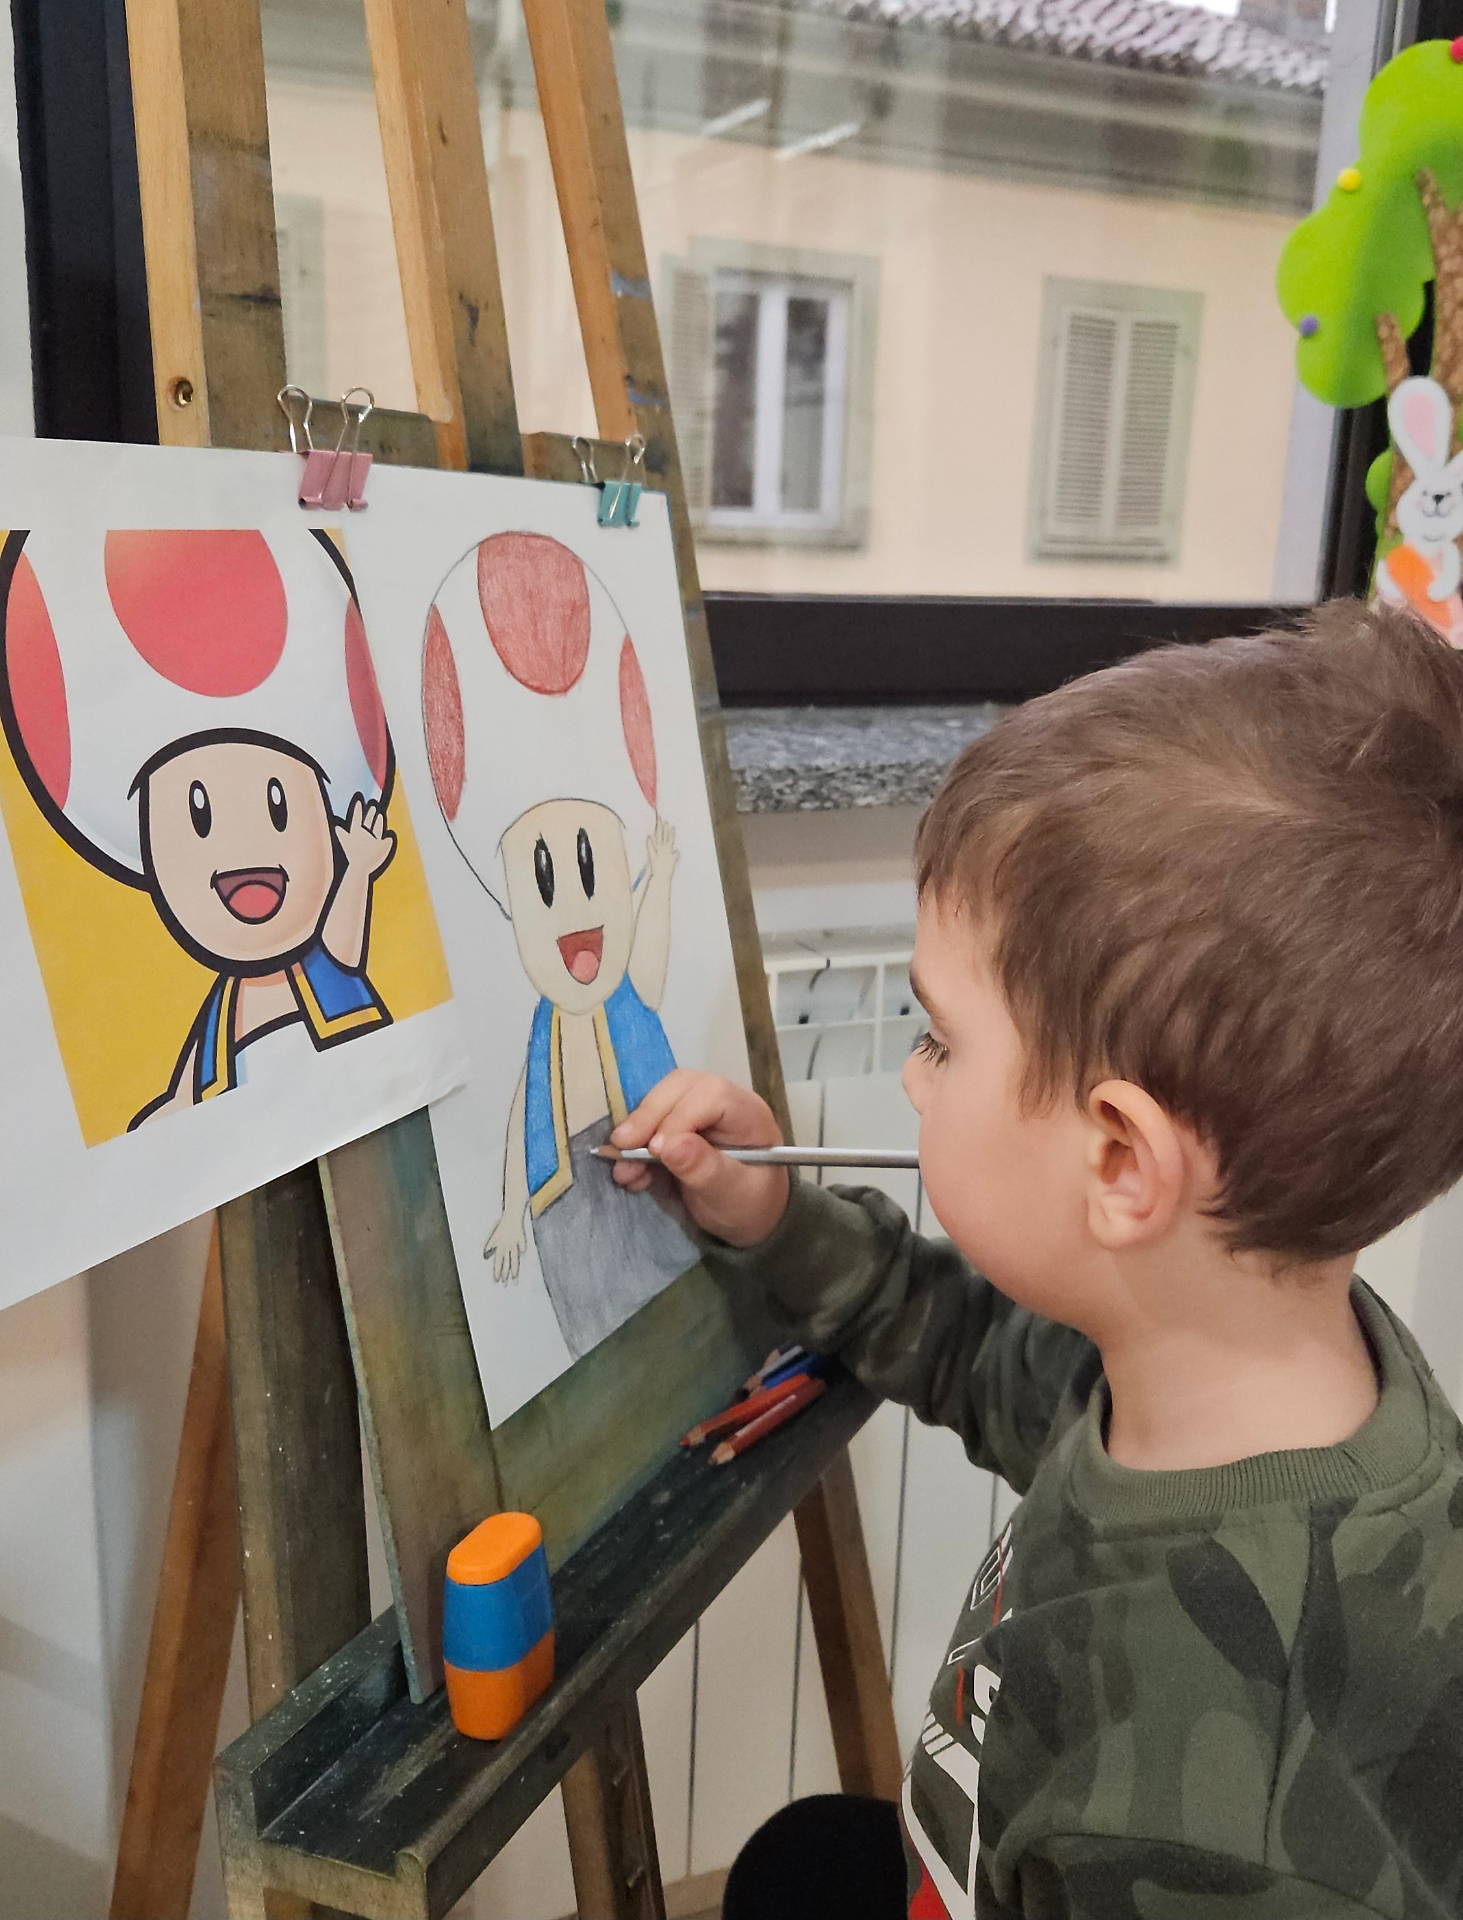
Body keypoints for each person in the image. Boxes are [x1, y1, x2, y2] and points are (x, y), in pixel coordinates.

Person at [610, 601, 1463, 1918]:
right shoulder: (1199, 1364)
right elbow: (959, 1345)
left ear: (1121, 1161)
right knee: (801, 1863)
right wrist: (767, 1215)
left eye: (941, 1039)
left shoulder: (1215, 1824)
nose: (914, 1074)